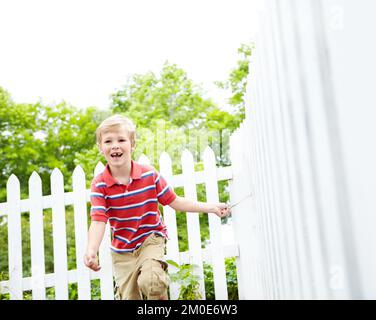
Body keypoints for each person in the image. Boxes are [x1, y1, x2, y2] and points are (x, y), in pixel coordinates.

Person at [84, 114, 231, 300]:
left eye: (121, 139)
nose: (115, 145)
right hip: (122, 250)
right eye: (108, 141)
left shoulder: (149, 175)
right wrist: (91, 250)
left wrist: (210, 207)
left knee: (152, 282)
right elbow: (98, 221)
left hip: (150, 239)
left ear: (132, 144)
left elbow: (174, 201)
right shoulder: (100, 185)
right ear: (100, 148)